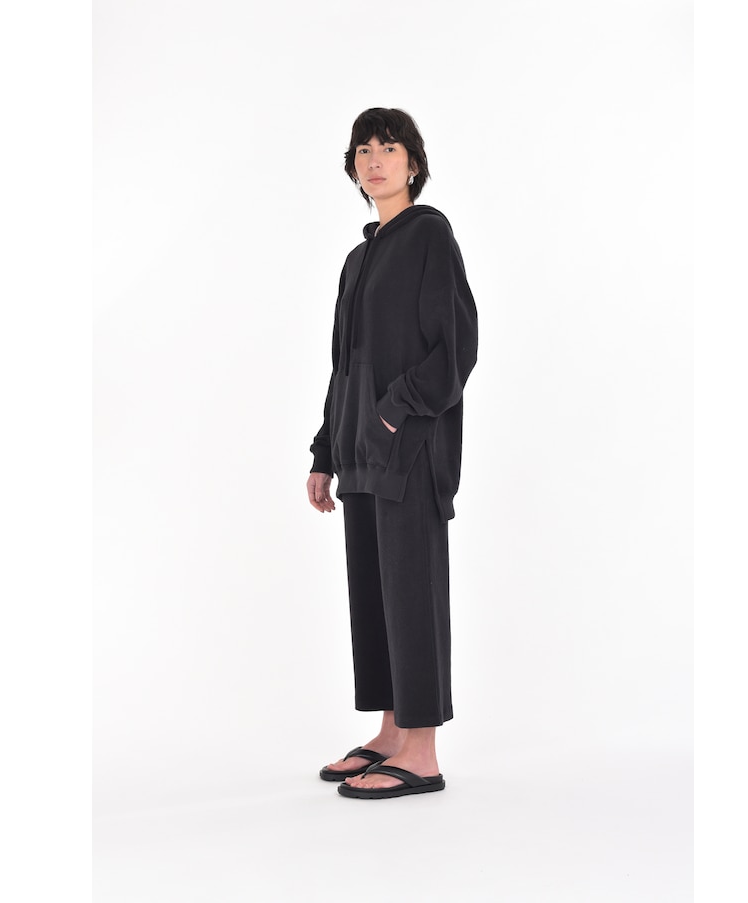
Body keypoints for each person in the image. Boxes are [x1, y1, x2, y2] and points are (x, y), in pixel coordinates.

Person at [307, 108, 478, 799]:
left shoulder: (429, 234)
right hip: (360, 456)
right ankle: (390, 732)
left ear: (413, 162)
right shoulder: (358, 260)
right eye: (363, 150)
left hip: (409, 453)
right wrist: (326, 451)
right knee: (375, 598)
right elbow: (343, 366)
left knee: (412, 594)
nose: (374, 160)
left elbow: (456, 348)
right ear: (353, 167)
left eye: (389, 147)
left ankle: (423, 753)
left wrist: (393, 410)